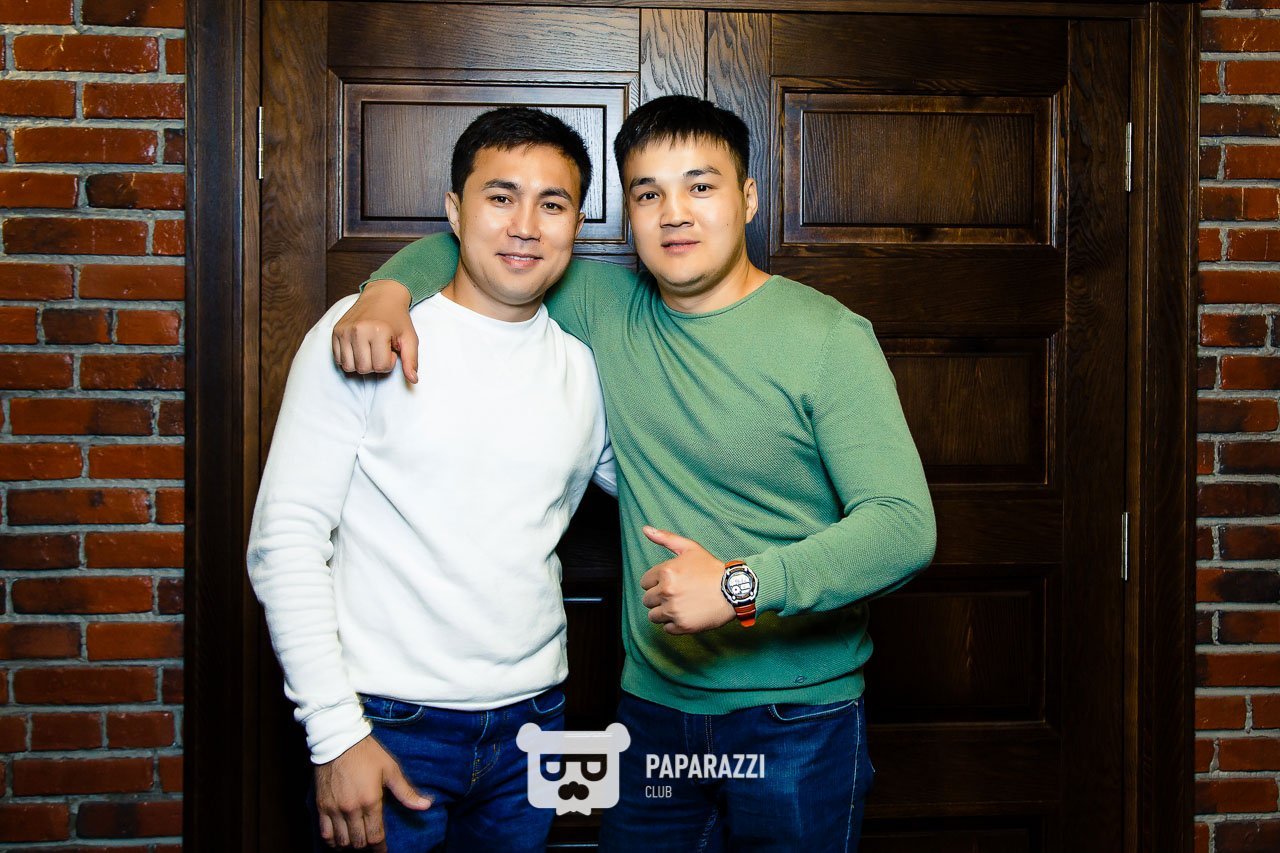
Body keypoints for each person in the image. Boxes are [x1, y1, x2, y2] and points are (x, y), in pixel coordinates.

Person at [332, 95, 936, 851]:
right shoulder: (606, 305)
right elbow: (473, 246)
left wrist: (739, 585)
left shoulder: (828, 337)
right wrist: (385, 292)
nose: (674, 214)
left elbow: (904, 528)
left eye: (700, 186)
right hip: (652, 709)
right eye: (649, 194)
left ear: (748, 198)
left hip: (796, 717)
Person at [246, 107, 615, 852]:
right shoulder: (363, 336)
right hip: (387, 722)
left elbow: (665, 489)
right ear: (455, 210)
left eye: (552, 204)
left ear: (575, 225)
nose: (524, 226)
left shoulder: (583, 368)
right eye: (500, 197)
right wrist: (335, 734)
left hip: (536, 724)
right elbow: (285, 541)